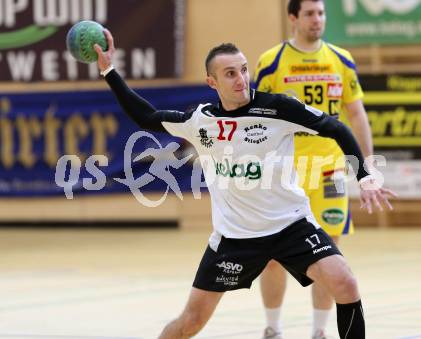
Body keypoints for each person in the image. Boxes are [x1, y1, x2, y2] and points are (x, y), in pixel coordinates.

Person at [94, 29, 394, 339]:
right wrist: (109, 71)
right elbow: (146, 116)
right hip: (236, 237)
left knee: (345, 284)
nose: (241, 78)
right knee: (191, 321)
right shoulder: (200, 121)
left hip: (291, 226)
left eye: (243, 69)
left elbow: (337, 129)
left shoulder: (279, 108)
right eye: (230, 73)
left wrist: (365, 176)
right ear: (213, 82)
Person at [254, 0, 374, 338]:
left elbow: (357, 115)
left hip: (330, 172)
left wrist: (368, 168)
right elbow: (254, 119)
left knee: (329, 251)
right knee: (274, 254)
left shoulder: (340, 59)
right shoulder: (271, 62)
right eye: (309, 13)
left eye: (321, 13)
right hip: (284, 174)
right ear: (293, 18)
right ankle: (272, 328)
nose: (317, 19)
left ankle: (320, 331)